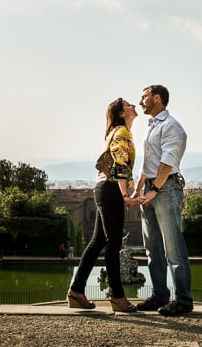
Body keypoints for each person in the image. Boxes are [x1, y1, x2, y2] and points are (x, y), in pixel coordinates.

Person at [67, 98, 140, 312]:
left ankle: (76, 290)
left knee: (98, 241)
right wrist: (125, 194)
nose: (133, 106)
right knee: (113, 243)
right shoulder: (122, 133)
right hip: (110, 189)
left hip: (103, 188)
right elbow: (119, 163)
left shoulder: (116, 132)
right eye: (128, 105)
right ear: (120, 113)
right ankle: (117, 296)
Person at [135, 84, 193, 316]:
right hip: (153, 188)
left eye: (144, 97)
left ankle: (183, 300)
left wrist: (154, 190)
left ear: (157, 98)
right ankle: (160, 295)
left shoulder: (171, 127)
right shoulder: (153, 126)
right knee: (153, 248)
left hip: (165, 189)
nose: (141, 101)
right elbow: (148, 162)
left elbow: (167, 162)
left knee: (173, 248)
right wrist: (139, 188)